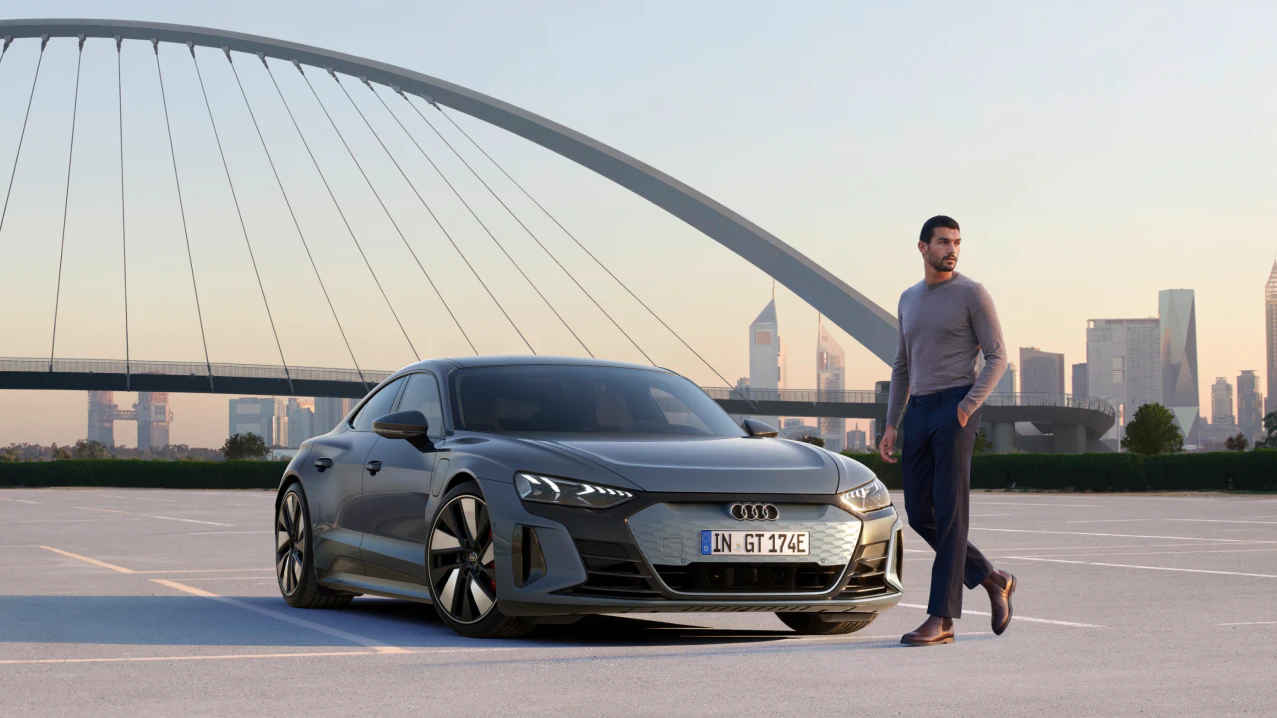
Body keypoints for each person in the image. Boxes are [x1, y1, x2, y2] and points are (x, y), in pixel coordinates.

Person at [878, 215, 1017, 647]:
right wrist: (891, 424)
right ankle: (992, 579)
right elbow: (902, 365)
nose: (952, 249)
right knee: (921, 515)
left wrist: (966, 407)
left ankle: (942, 619)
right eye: (943, 242)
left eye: (957, 242)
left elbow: (998, 357)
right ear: (923, 247)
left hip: (954, 409)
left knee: (951, 514)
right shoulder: (908, 299)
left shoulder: (972, 293)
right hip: (917, 410)